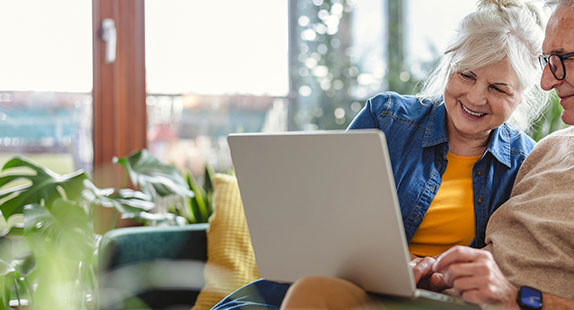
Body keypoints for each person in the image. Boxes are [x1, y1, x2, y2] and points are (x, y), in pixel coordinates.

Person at [280, 0, 574, 309]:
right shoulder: (553, 150)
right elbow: (494, 252)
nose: (548, 84)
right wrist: (443, 272)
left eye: (562, 60)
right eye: (546, 63)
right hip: (447, 299)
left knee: (317, 296)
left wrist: (519, 298)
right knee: (315, 291)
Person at [211, 0, 547, 309]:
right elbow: (330, 223)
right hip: (346, 285)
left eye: (497, 88)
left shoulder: (525, 163)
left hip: (435, 300)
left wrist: (438, 271)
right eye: (466, 75)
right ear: (449, 67)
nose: (475, 97)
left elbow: (508, 265)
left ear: (521, 96)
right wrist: (402, 261)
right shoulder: (387, 119)